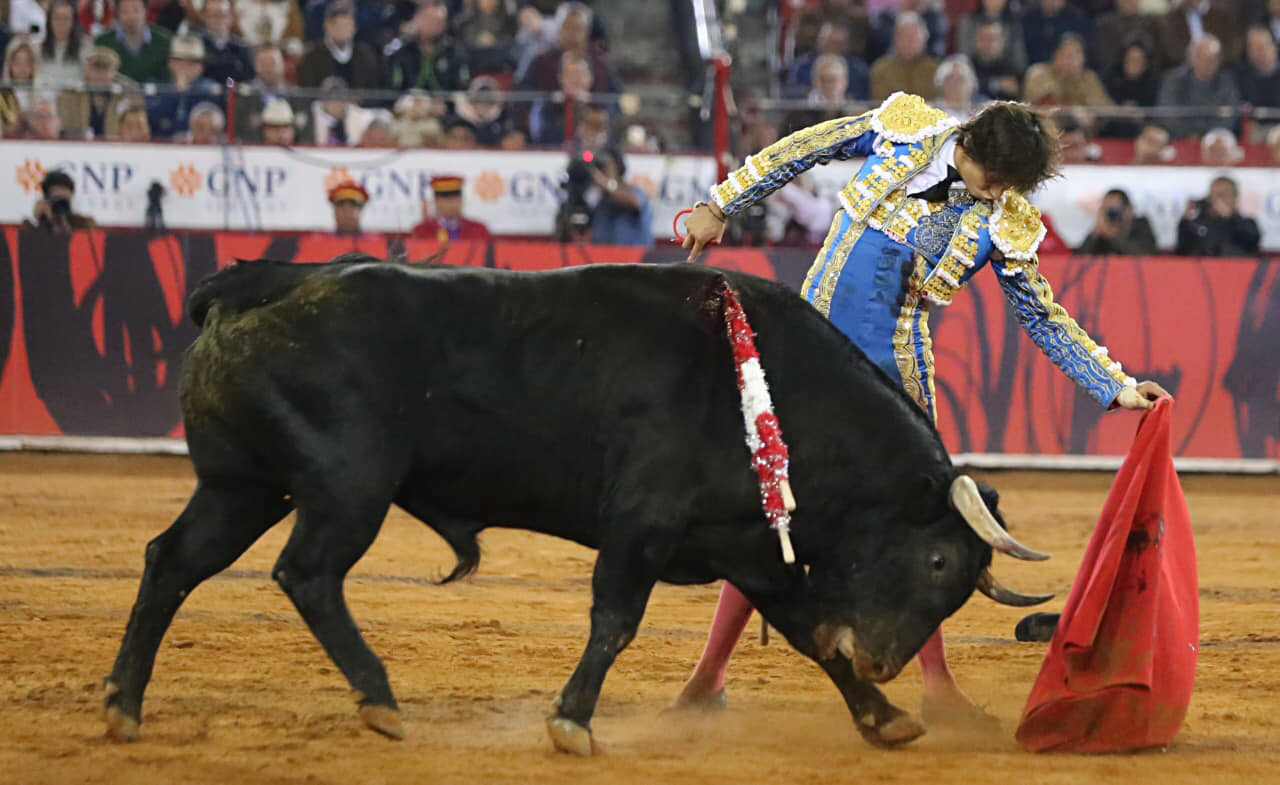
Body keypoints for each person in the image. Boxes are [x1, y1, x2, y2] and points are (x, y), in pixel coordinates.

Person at [677, 92, 1169, 728]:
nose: (998, 198)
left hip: (895, 380)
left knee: (918, 533)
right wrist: (721, 205)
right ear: (970, 151)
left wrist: (1118, 385)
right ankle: (706, 678)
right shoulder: (905, 130)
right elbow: (805, 148)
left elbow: (1042, 316)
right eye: (995, 183)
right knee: (768, 513)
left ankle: (937, 684)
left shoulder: (1004, 219)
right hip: (807, 357)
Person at [1157, 35, 1242, 139]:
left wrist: (1209, 137)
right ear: (1191, 58)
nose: (1209, 63)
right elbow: (1168, 114)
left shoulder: (1227, 82)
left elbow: (1230, 115)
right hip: (1179, 140)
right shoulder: (1173, 80)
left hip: (1216, 141)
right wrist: (1189, 135)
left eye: (1214, 58)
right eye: (1203, 57)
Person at [384, 0, 469, 93]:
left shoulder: (453, 51)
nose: (435, 26)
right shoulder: (401, 50)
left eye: (440, 21)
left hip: (443, 104)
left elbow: (461, 87)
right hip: (408, 103)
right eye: (430, 20)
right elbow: (392, 88)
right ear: (417, 18)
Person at [297, 1, 380, 90]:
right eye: (338, 26)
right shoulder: (311, 56)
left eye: (347, 25)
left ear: (355, 28)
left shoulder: (365, 55)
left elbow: (373, 92)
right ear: (327, 26)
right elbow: (306, 93)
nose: (343, 30)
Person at [1176, 176, 1261, 256]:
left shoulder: (1247, 223)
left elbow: (1251, 243)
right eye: (1213, 195)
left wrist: (1229, 217)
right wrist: (1185, 221)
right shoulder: (1198, 224)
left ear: (1234, 198)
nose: (1216, 200)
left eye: (1222, 195)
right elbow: (1183, 250)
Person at [587, 147, 652, 247]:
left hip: (635, 259)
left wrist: (606, 183)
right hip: (603, 258)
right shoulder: (599, 200)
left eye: (606, 166)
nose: (603, 170)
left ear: (617, 166)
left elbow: (635, 203)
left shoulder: (634, 190)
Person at [93, 0, 171, 83]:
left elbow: (167, 80)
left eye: (136, 10)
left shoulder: (164, 41)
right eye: (125, 11)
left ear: (145, 11)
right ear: (117, 13)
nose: (131, 16)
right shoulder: (103, 42)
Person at [869, 13, 938, 100]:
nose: (908, 42)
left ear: (924, 41)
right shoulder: (881, 68)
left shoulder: (934, 70)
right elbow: (879, 102)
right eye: (904, 37)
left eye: (913, 38)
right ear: (895, 39)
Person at [411, 175, 492, 243]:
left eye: (454, 199)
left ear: (461, 200)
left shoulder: (479, 230)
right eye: (445, 199)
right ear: (435, 201)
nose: (450, 204)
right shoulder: (422, 231)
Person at [1077, 188, 1158, 255]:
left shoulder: (1140, 225)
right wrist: (1095, 233)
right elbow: (1079, 258)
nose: (1112, 215)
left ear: (1129, 210)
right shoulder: (1100, 232)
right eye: (1107, 209)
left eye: (1115, 209)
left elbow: (1146, 255)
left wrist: (1112, 235)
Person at [36, 0, 89, 90]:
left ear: (74, 21)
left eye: (66, 18)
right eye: (57, 18)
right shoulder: (37, 49)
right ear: (49, 21)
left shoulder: (86, 47)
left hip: (74, 100)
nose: (61, 23)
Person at [24, 169, 96, 231]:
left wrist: (63, 222)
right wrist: (41, 220)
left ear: (71, 196)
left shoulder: (84, 224)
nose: (60, 205)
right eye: (56, 199)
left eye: (64, 200)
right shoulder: (31, 226)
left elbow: (85, 241)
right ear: (46, 199)